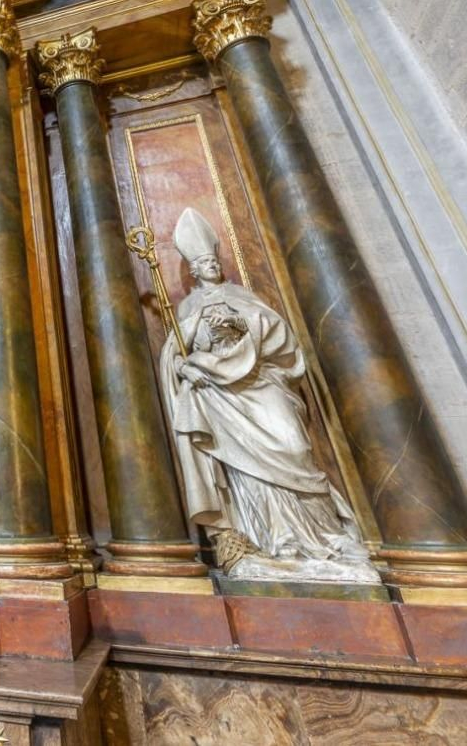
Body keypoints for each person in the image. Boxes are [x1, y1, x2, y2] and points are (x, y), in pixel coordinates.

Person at [158, 208, 377, 581]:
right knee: (246, 472)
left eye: (214, 260)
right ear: (193, 271)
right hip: (221, 398)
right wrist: (186, 367)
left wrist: (242, 324)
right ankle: (274, 540)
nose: (211, 267)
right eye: (204, 263)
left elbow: (279, 336)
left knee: (294, 447)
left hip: (260, 384)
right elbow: (176, 354)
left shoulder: (242, 296)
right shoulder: (189, 307)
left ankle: (323, 536)